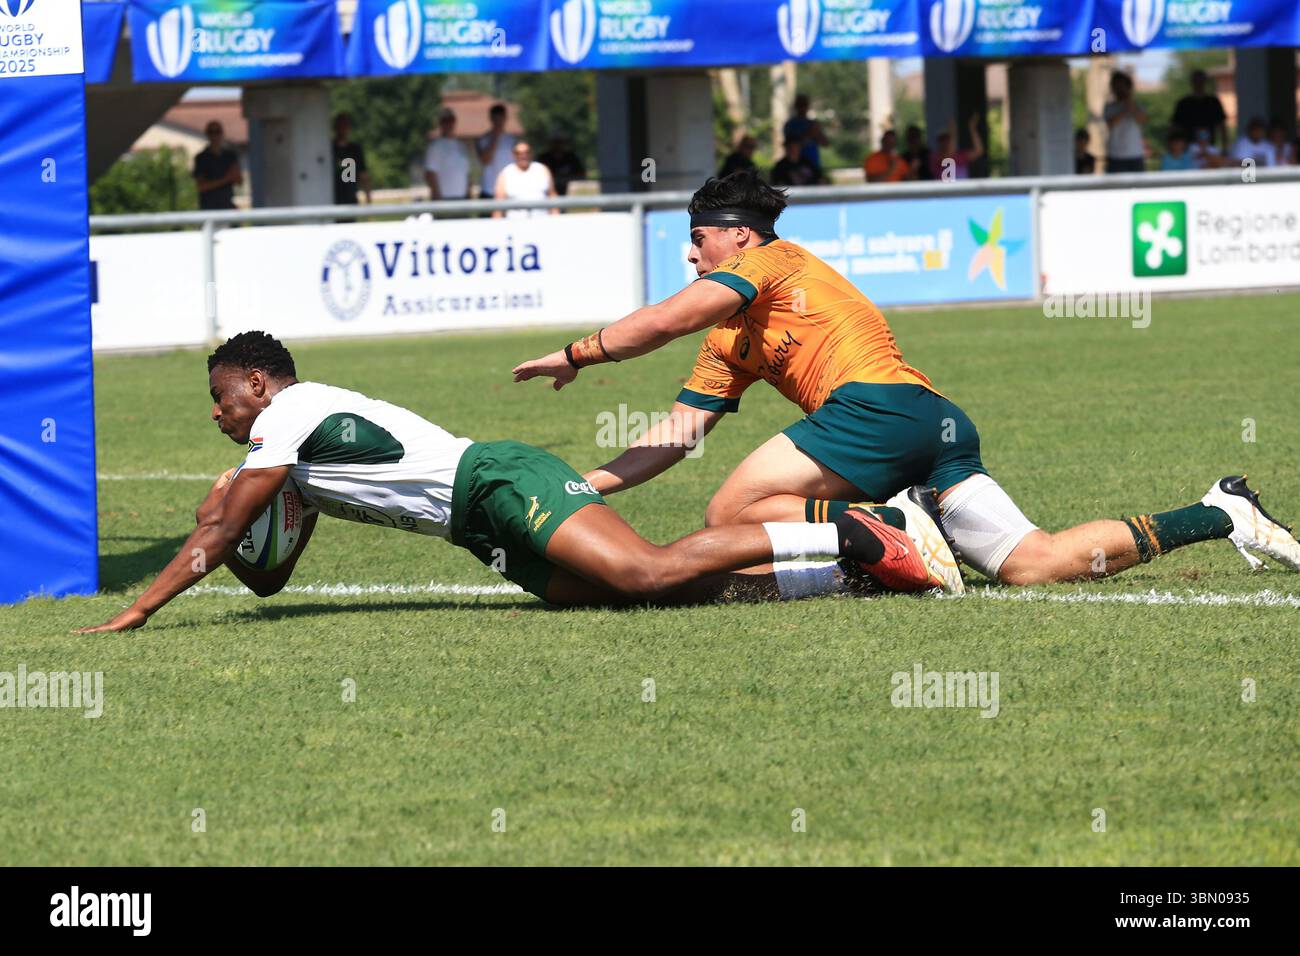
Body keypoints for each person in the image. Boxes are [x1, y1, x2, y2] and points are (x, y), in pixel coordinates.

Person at [511, 170, 1300, 587]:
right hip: (933, 425)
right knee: (1037, 564)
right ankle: (1219, 512)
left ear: (739, 237)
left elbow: (662, 320)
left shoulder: (772, 261)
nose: (691, 253)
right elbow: (674, 437)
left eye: (699, 239)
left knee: (731, 511)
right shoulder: (728, 343)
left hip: (880, 412)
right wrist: (582, 489)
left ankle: (888, 528)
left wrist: (578, 354)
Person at [75, 332, 951, 634]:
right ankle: (840, 574)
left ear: (260, 386)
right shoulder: (289, 457)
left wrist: (142, 607)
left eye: (223, 400)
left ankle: (849, 529)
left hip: (495, 478)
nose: (219, 415)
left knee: (644, 570)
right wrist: (230, 524)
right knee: (630, 599)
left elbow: (223, 537)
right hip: (475, 527)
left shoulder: (291, 413)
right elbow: (263, 571)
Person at [493, 141, 558, 218]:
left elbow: (552, 195)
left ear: (531, 153)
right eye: (518, 153)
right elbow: (499, 203)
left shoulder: (542, 169)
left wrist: (555, 219)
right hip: (515, 224)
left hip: (542, 221)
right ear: (513, 155)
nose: (523, 156)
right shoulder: (505, 173)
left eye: (526, 152)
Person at [1171, 69, 1227, 153]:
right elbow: (1175, 127)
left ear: (1205, 82)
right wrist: (1174, 148)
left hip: (1209, 147)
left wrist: (1224, 147)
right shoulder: (1183, 103)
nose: (1198, 84)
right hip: (1187, 148)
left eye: (1200, 81)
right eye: (1196, 81)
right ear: (1192, 83)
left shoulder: (1213, 102)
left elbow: (1222, 126)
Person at [193, 121, 242, 211]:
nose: (215, 135)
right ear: (207, 134)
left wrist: (231, 177)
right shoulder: (201, 158)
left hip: (227, 205)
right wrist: (226, 178)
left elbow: (239, 181)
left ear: (222, 133)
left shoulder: (230, 156)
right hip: (209, 207)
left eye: (217, 132)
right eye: (211, 132)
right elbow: (201, 187)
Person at [1103, 72, 1147, 173]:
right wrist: (1124, 110)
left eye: (1122, 86)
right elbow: (1110, 124)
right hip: (1115, 155)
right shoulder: (1109, 107)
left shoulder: (1138, 106)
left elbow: (1143, 120)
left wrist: (1131, 105)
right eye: (1117, 86)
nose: (1119, 89)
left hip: (1136, 155)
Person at [424, 108, 471, 201]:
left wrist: (469, 191)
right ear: (441, 123)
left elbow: (466, 173)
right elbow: (430, 173)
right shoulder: (435, 146)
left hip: (461, 197)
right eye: (445, 121)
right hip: (443, 197)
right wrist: (437, 195)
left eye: (451, 120)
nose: (448, 124)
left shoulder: (461, 146)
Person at [476, 103, 517, 200]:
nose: (498, 121)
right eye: (496, 118)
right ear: (491, 118)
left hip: (509, 190)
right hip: (488, 190)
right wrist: (495, 136)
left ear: (505, 118)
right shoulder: (482, 140)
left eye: (501, 118)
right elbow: (485, 160)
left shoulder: (512, 140)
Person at [331, 113, 371, 206]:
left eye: (345, 125)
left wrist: (368, 202)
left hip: (350, 200)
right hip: (331, 200)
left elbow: (364, 176)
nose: (343, 128)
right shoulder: (328, 149)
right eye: (340, 125)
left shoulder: (355, 149)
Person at [782, 93, 830, 171]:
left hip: (813, 164)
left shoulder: (813, 124)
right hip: (796, 166)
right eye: (800, 105)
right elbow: (791, 145)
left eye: (805, 105)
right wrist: (809, 133)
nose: (803, 108)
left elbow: (826, 144)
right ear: (796, 106)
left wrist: (818, 133)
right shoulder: (790, 125)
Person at [928, 114, 984, 181]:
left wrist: (973, 129)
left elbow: (979, 151)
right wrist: (953, 133)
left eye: (947, 138)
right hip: (944, 190)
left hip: (962, 190)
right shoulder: (935, 157)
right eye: (942, 139)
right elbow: (949, 158)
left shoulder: (960, 155)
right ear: (938, 141)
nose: (945, 142)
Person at [536, 131, 586, 196]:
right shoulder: (544, 158)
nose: (557, 145)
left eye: (560, 142)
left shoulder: (572, 158)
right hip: (548, 194)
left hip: (570, 193)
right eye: (555, 142)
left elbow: (581, 175)